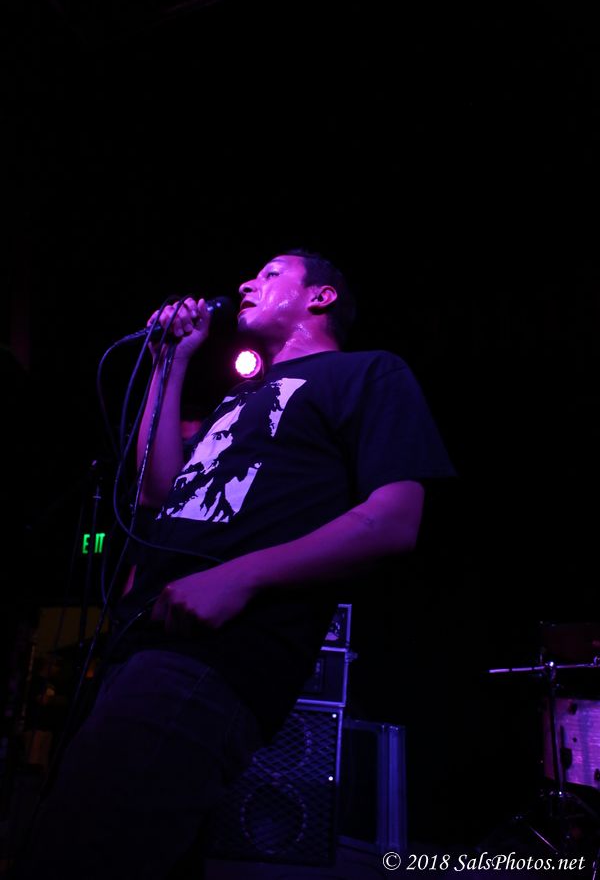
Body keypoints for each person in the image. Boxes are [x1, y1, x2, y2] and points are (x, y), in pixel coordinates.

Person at [15, 249, 455, 879]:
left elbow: (393, 520)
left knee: (75, 853)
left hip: (217, 654)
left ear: (321, 297)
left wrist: (240, 575)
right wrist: (171, 360)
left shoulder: (368, 372)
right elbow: (157, 490)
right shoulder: (237, 397)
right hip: (142, 643)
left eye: (271, 274)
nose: (248, 282)